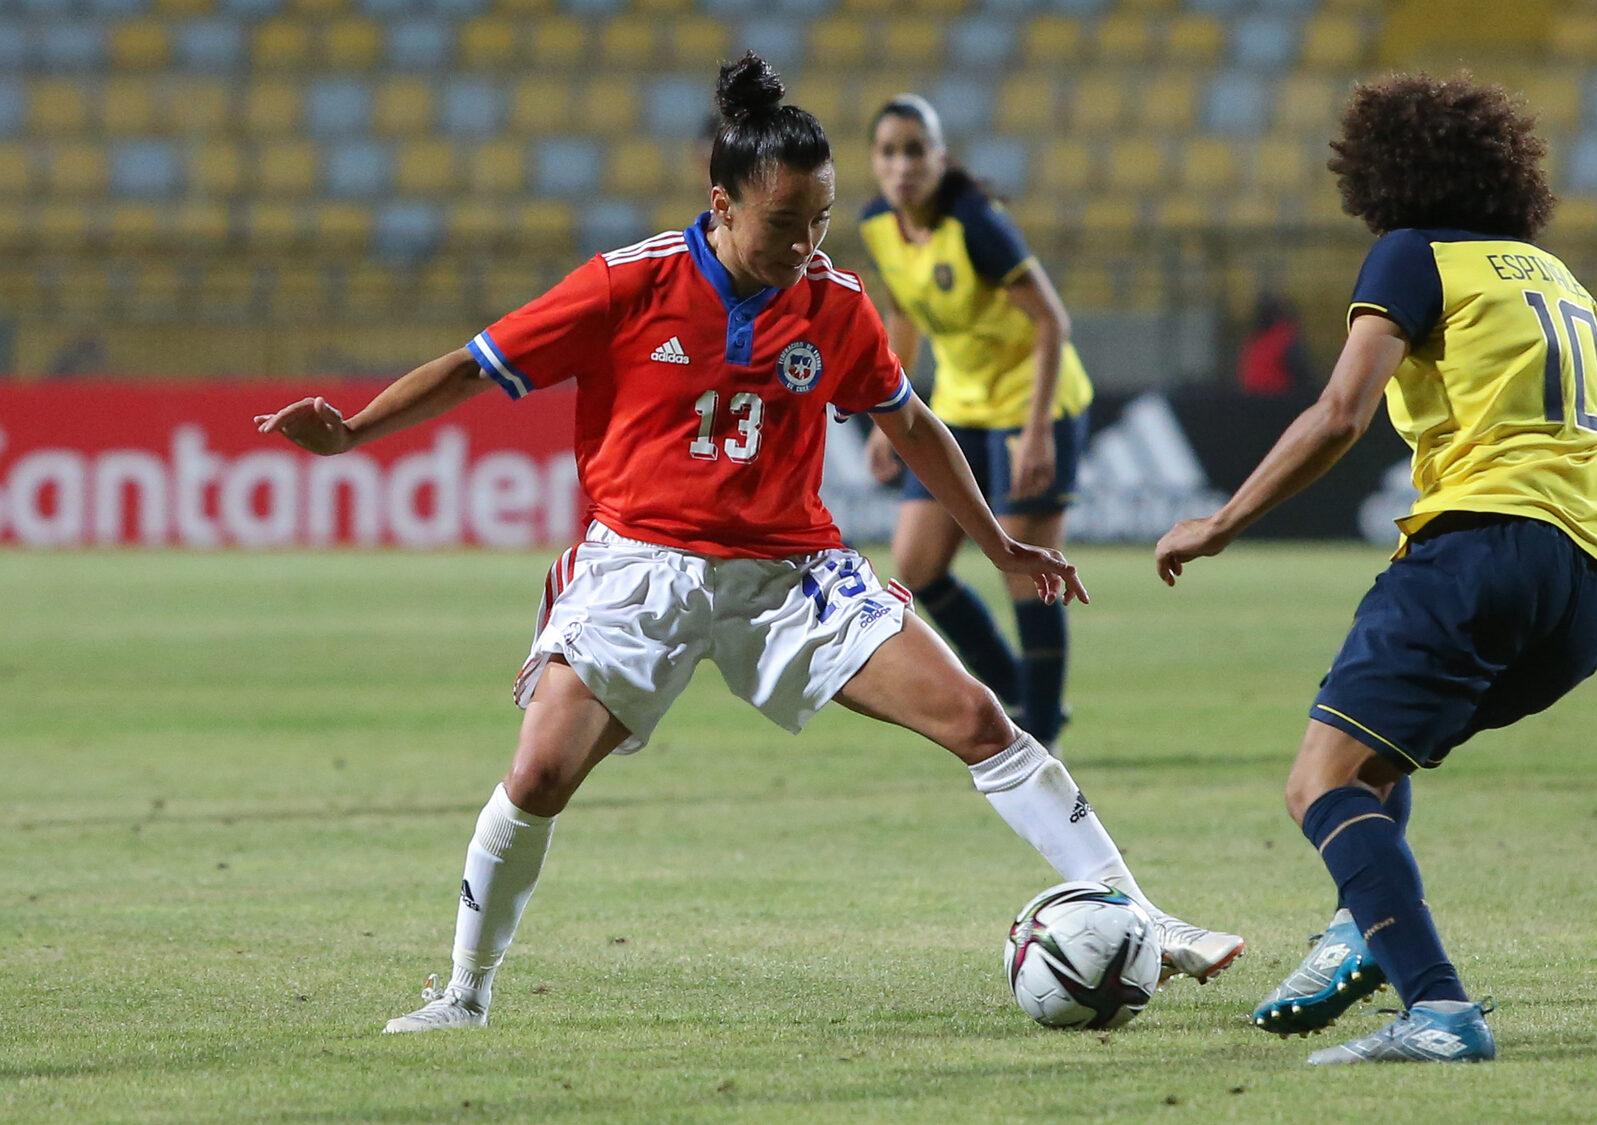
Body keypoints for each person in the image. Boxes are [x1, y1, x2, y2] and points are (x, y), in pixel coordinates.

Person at [256, 55, 1241, 1035]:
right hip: (639, 568)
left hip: (791, 575)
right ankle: (463, 996)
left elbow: (910, 426)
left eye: (820, 221)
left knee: (979, 718)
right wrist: (354, 432)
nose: (807, 244)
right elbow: (475, 368)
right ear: (719, 203)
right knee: (540, 776)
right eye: (784, 224)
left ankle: (1144, 921)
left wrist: (995, 544)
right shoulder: (626, 286)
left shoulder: (836, 303)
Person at [1154, 73, 1597, 1064]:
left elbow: (1339, 411)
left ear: (1383, 170)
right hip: (1590, 578)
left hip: (1484, 545)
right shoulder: (1553, 277)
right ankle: (1356, 924)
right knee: (1375, 754)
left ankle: (1438, 1009)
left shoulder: (1412, 256)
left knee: (1317, 782)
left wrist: (1223, 520)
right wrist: (1580, 582)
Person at [856, 94, 1093, 752]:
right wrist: (885, 416)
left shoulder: (976, 224)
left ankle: (1041, 732)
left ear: (940, 158)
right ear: (874, 163)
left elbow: (1051, 320)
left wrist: (1039, 431)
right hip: (958, 406)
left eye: (914, 150)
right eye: (889, 152)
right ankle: (1014, 687)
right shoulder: (878, 224)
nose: (902, 165)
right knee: (917, 564)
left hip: (1031, 401)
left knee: (1025, 565)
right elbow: (902, 316)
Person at [1235, 294, 1311, 397]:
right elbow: (1301, 374)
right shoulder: (1285, 338)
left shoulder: (1252, 341)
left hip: (1252, 400)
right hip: (1279, 400)